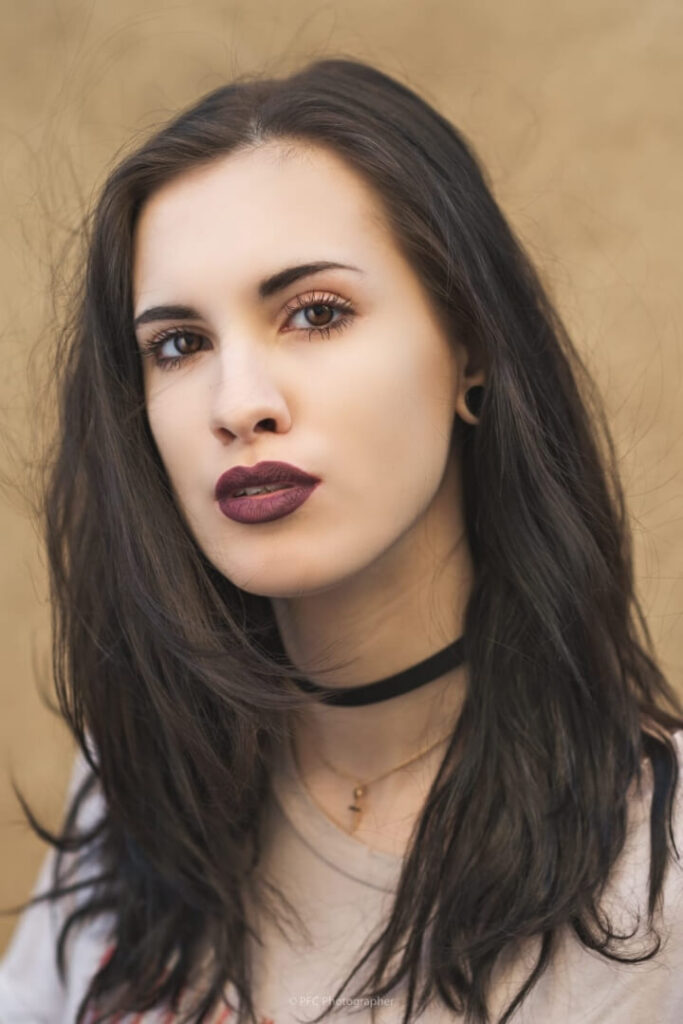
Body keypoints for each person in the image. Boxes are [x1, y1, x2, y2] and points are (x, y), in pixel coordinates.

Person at [0, 55, 681, 1024]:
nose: (239, 403)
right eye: (179, 344)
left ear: (471, 345)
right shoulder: (140, 786)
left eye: (315, 314)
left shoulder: (659, 870)